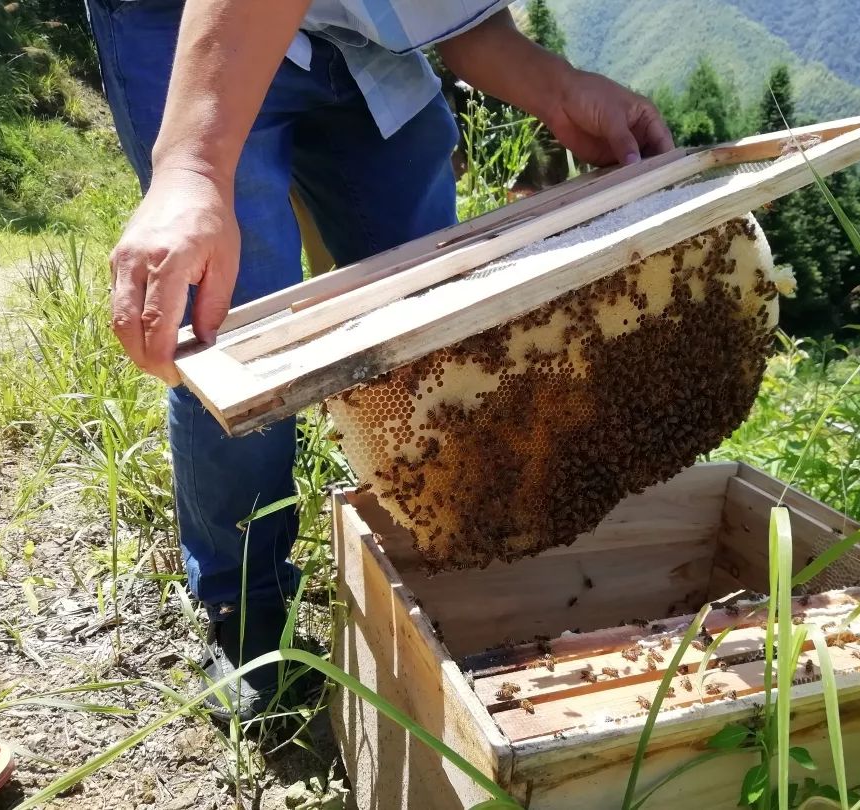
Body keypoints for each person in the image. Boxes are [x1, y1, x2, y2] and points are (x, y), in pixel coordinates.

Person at [87, 0, 673, 721]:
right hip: (182, 17)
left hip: (353, 33)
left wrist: (556, 85)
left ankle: (449, 550)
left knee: (437, 315)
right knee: (229, 325)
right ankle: (246, 606)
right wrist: (194, 165)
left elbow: (447, 9)